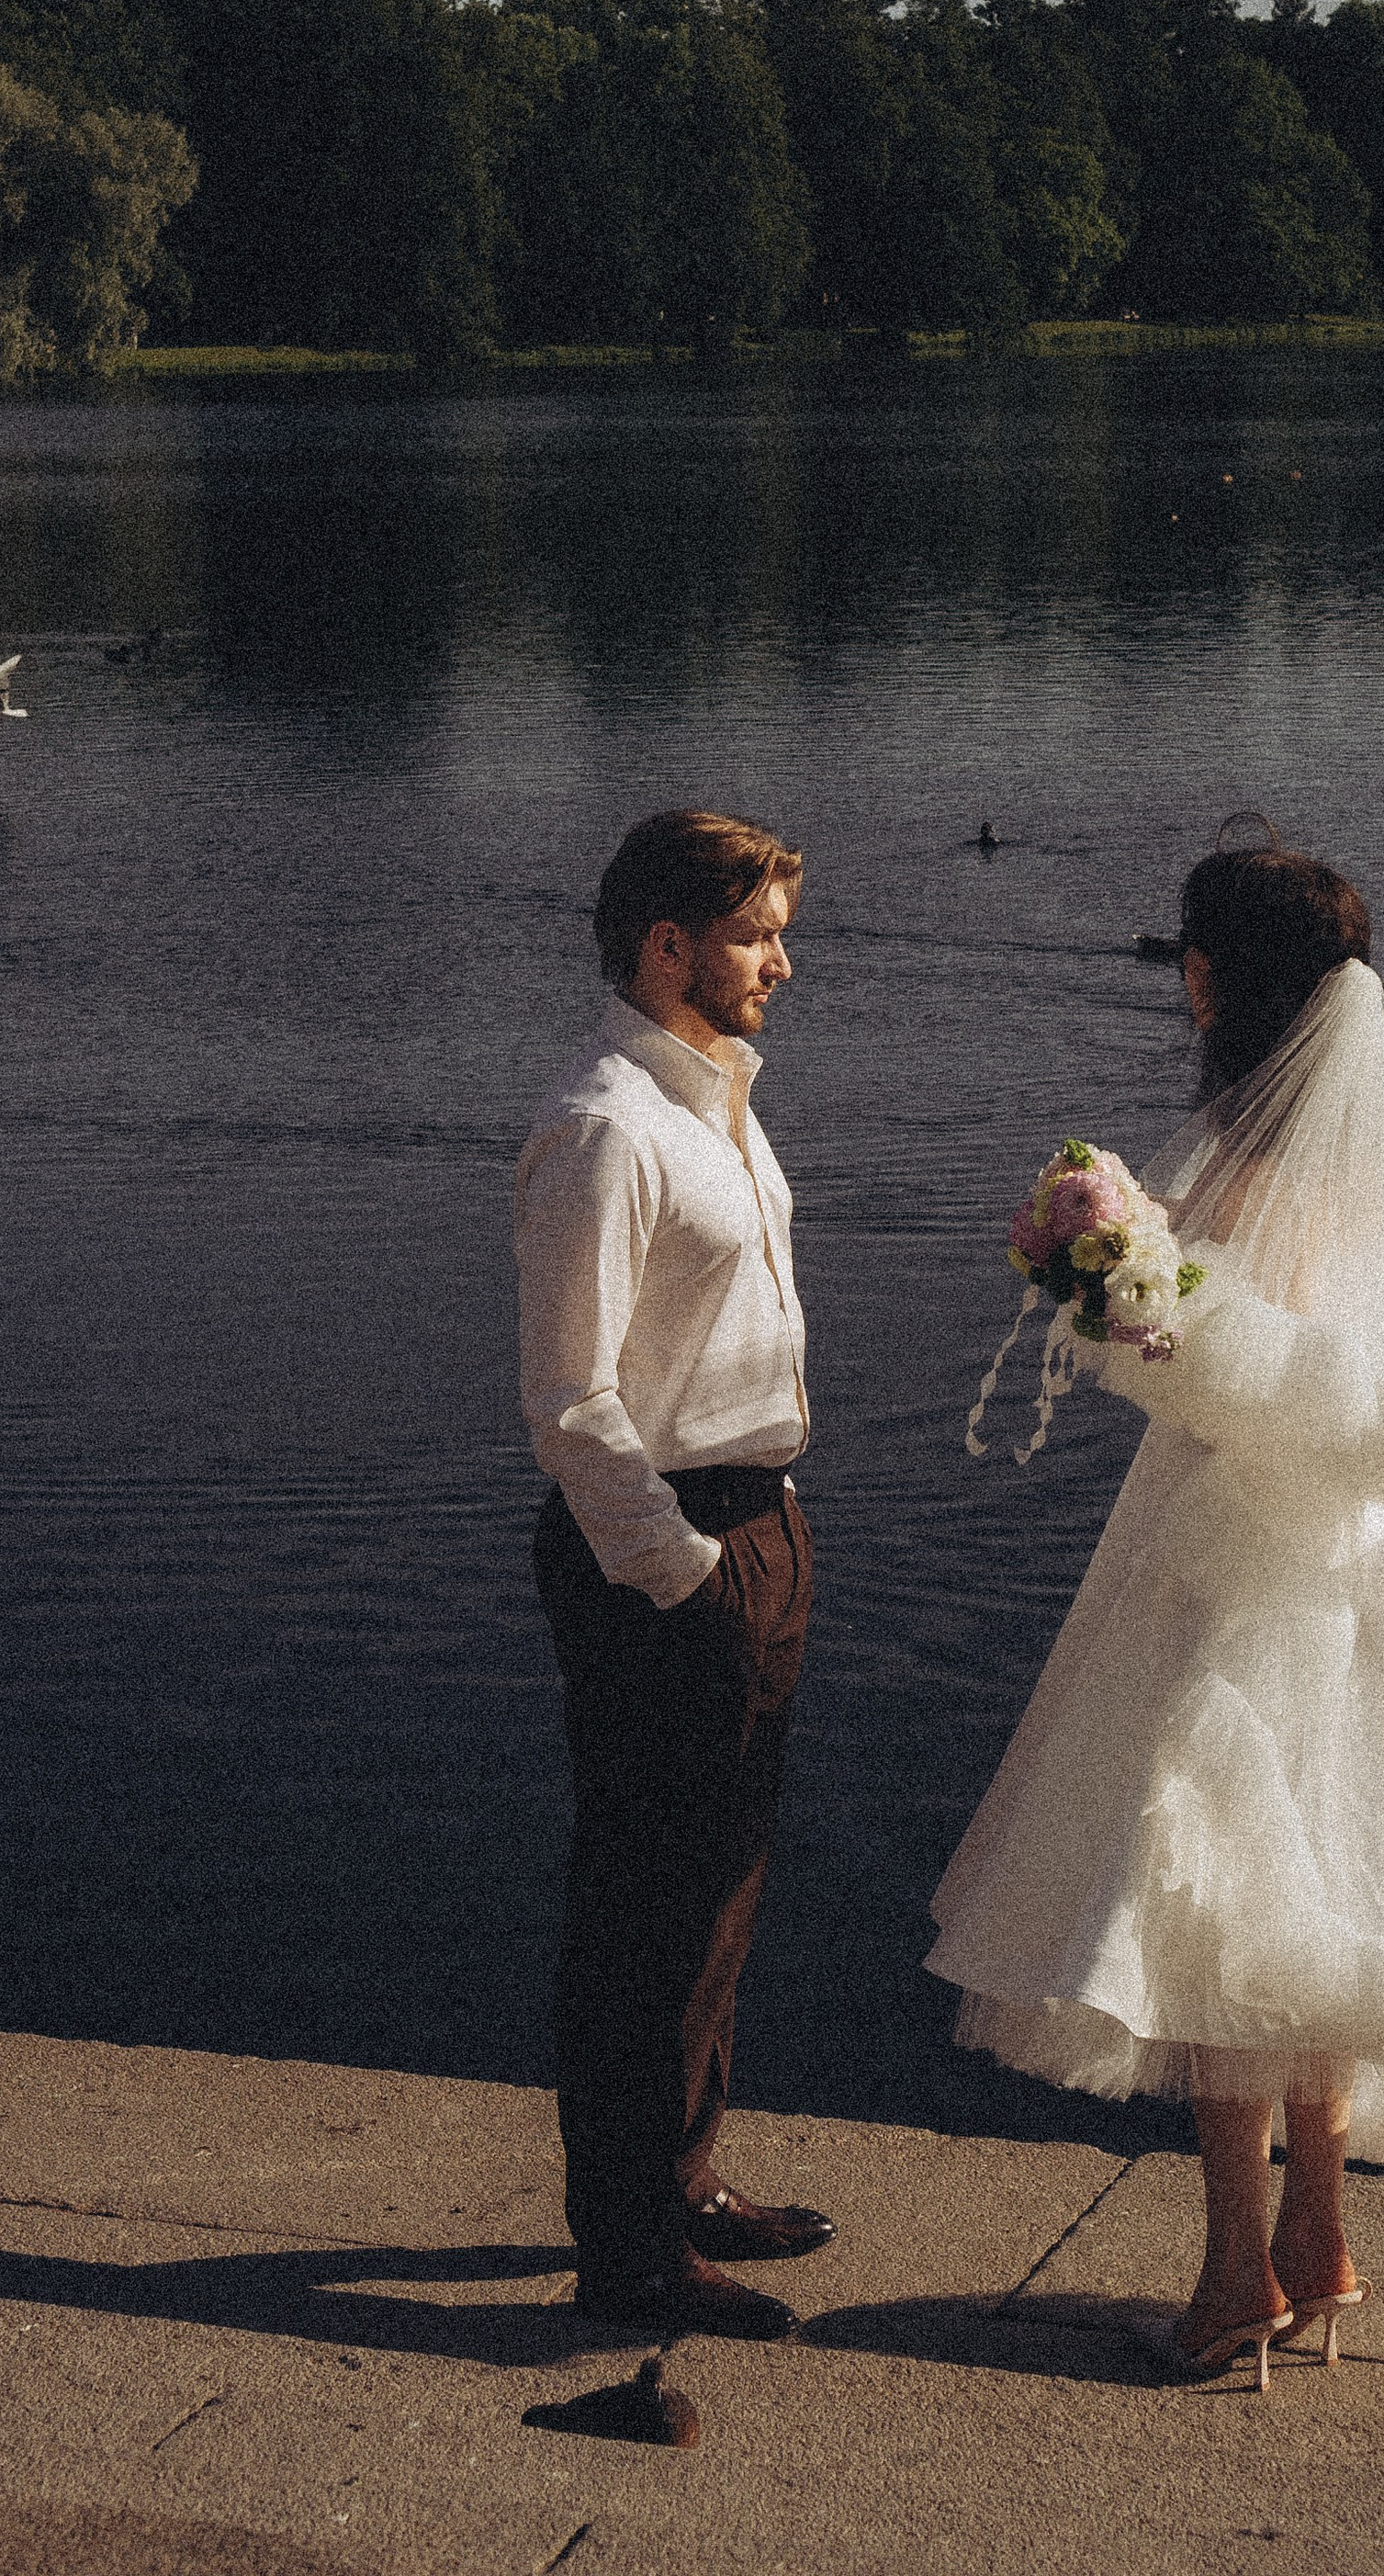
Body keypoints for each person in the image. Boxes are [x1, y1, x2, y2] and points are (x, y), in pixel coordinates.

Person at [928, 839, 1384, 2388]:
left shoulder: (1244, 1167)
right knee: (1324, 1886)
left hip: (1230, 1568)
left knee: (1220, 1916)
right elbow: (1354, 1387)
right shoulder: (1357, 1169)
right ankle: (1321, 2244)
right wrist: (1127, 1288)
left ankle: (1229, 2278)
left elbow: (1230, 1380)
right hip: (1346, 1571)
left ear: (1207, 982)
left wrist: (1118, 1297)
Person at [516, 807, 832, 2340]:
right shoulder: (606, 1130)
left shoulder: (718, 1106)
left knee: (721, 1890)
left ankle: (681, 2179)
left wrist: (760, 1542)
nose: (782, 961)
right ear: (667, 947)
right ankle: (628, 2248)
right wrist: (688, 1575)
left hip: (757, 1523)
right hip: (663, 1551)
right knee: (643, 1904)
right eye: (755, 935)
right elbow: (571, 1403)